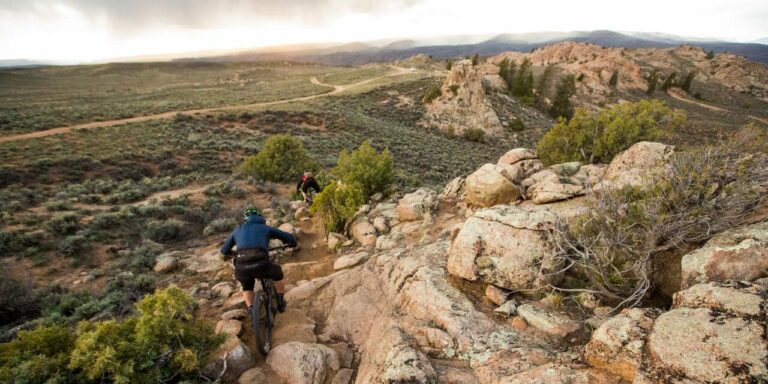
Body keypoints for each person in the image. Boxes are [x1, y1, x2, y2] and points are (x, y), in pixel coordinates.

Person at [220, 207, 297, 313]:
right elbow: (288, 237)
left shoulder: (238, 229)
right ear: (260, 217)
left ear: (246, 218)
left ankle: (251, 310)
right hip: (261, 263)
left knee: (247, 286)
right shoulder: (264, 227)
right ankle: (280, 301)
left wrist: (233, 253)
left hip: (242, 266)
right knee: (277, 272)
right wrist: (292, 242)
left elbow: (224, 250)